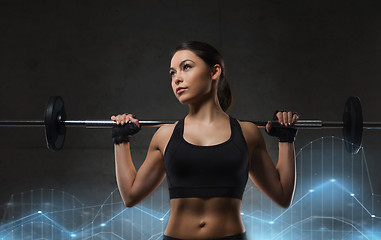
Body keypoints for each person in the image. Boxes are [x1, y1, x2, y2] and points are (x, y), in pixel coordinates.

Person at [110, 41, 299, 240]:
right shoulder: (165, 135)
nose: (177, 79)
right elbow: (130, 196)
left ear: (214, 71)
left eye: (186, 67)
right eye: (172, 73)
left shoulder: (247, 133)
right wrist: (121, 139)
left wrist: (285, 138)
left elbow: (283, 195)